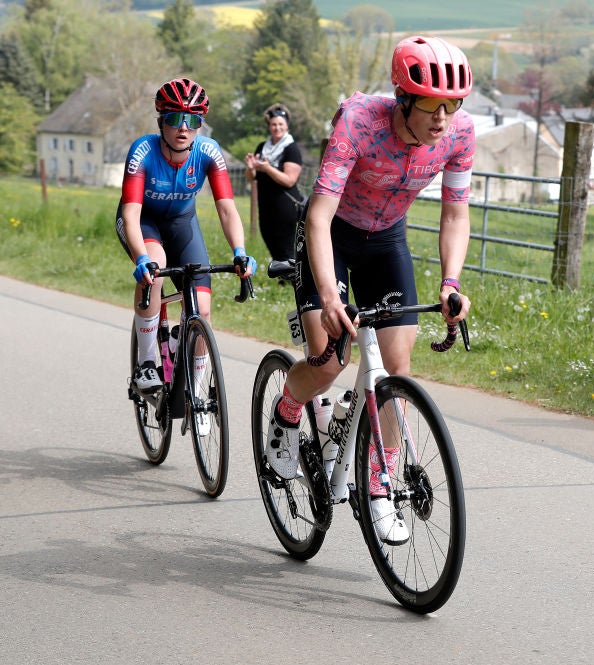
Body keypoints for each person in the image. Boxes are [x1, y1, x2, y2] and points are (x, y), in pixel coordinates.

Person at [262, 36, 474, 544]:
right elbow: (317, 215)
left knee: (396, 368)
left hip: (386, 240)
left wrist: (450, 283)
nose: (443, 118)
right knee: (329, 359)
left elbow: (454, 212)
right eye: (431, 105)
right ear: (404, 99)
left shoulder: (460, 134)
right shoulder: (359, 121)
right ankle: (288, 409)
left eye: (453, 105)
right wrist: (331, 299)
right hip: (330, 232)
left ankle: (379, 486)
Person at [116, 78, 255, 411]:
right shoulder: (143, 151)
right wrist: (141, 259)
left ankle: (193, 380)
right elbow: (131, 214)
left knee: (202, 309)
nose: (183, 128)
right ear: (161, 120)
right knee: (156, 269)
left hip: (182, 225)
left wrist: (239, 251)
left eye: (192, 120)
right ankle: (147, 364)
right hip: (143, 222)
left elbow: (226, 208)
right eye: (175, 118)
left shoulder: (209, 152)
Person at [245, 103, 304, 262]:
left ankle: (293, 281)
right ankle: (282, 279)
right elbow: (251, 177)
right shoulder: (262, 147)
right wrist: (251, 168)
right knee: (272, 245)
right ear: (269, 126)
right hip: (265, 206)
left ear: (286, 126)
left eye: (280, 124)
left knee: (287, 249)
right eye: (273, 124)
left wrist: (268, 168)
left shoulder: (291, 149)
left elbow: (289, 180)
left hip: (285, 208)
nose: (277, 127)